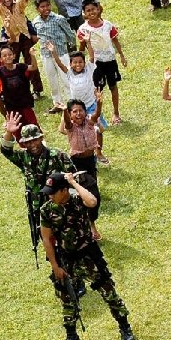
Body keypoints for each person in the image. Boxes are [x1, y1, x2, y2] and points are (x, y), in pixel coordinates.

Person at [39, 172, 135, 340]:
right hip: (66, 260)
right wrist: (55, 266)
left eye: (53, 192)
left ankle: (125, 327)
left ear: (64, 190)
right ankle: (72, 336)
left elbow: (92, 202)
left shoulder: (77, 199)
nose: (49, 196)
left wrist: (73, 183)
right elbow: (46, 239)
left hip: (88, 256)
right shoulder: (47, 210)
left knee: (108, 292)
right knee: (67, 299)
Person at [0, 114, 83, 296]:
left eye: (35, 140)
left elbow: (75, 178)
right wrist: (9, 132)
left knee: (68, 243)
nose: (32, 145)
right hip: (39, 211)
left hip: (60, 209)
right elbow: (5, 150)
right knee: (49, 245)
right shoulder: (23, 158)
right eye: (28, 142)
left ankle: (77, 279)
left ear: (41, 138)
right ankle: (60, 275)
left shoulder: (58, 155)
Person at [58, 95, 106, 240]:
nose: (78, 114)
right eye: (74, 111)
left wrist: (99, 103)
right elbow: (67, 122)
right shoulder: (70, 127)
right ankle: (88, 227)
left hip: (90, 162)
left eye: (81, 110)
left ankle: (91, 223)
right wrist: (64, 111)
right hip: (76, 164)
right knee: (83, 196)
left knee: (94, 196)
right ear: (70, 114)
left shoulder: (90, 122)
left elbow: (96, 115)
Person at [50, 47, 109, 165]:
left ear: (84, 62)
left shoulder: (89, 69)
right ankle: (79, 147)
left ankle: (98, 153)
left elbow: (91, 57)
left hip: (90, 105)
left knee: (98, 130)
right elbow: (59, 64)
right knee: (66, 129)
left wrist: (88, 42)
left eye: (80, 62)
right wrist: (53, 52)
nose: (78, 64)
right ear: (70, 64)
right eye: (75, 62)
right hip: (76, 109)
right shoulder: (69, 73)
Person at [77, 0, 127, 125]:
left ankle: (116, 113)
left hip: (110, 60)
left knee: (113, 86)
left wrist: (121, 55)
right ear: (84, 13)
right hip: (96, 63)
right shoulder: (83, 29)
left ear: (98, 9)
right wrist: (81, 61)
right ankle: (97, 115)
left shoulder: (108, 25)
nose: (91, 12)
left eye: (93, 9)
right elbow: (81, 48)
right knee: (98, 90)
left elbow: (115, 41)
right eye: (88, 11)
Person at [31, 0, 75, 114]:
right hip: (46, 56)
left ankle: (71, 104)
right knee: (52, 80)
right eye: (42, 7)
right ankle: (58, 103)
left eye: (48, 5)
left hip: (61, 54)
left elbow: (70, 34)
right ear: (37, 9)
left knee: (66, 79)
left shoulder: (59, 19)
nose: (46, 8)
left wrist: (72, 49)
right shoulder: (35, 22)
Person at [0, 45, 40, 127]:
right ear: (0, 59)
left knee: (32, 124)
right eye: (4, 56)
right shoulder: (0, 71)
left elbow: (34, 67)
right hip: (11, 104)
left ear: (14, 56)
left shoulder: (20, 66)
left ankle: (38, 135)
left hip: (25, 102)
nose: (8, 57)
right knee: (16, 126)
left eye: (10, 54)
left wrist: (32, 56)